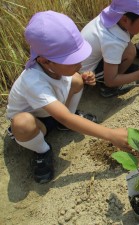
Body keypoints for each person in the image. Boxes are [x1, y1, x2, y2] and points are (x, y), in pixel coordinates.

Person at [6, 11, 129, 184]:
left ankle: (64, 126)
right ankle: (42, 151)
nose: (79, 63)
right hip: (36, 123)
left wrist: (84, 77)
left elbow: (65, 81)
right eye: (72, 60)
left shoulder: (55, 67)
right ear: (44, 61)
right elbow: (64, 116)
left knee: (77, 80)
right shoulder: (32, 81)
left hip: (52, 112)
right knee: (22, 123)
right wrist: (111, 135)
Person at [80, 0, 139, 98]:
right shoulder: (113, 41)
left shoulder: (114, 15)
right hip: (87, 74)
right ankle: (107, 88)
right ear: (125, 20)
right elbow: (110, 80)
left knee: (128, 47)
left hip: (84, 61)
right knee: (130, 52)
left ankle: (117, 69)